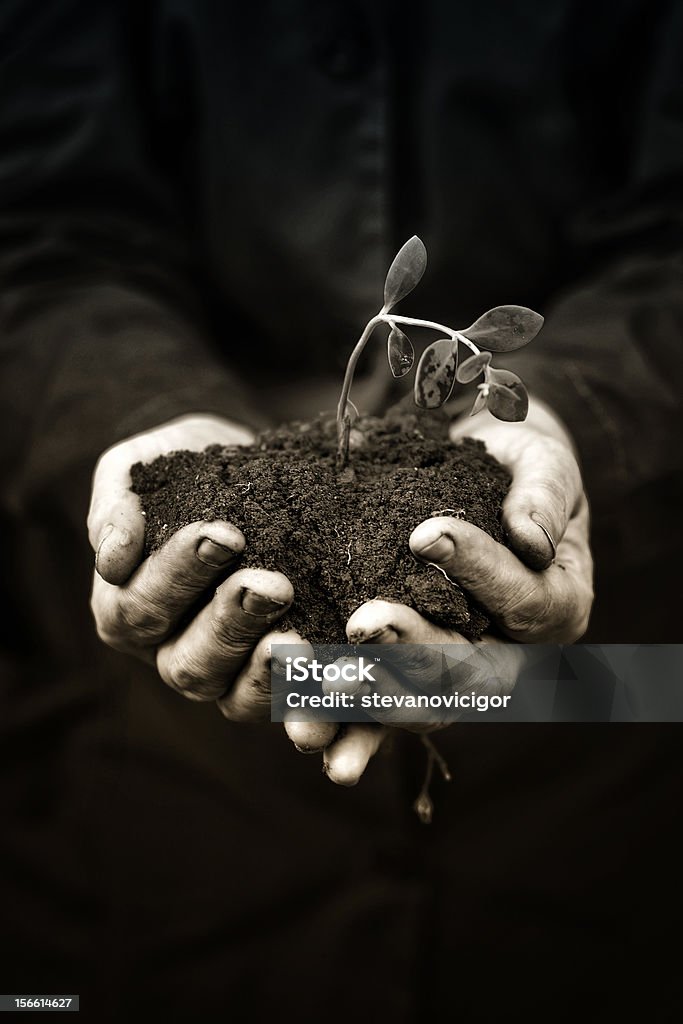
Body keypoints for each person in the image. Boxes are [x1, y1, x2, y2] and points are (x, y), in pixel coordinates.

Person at [1, 1, 682, 1020]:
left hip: (612, 701)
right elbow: (41, 233)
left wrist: (569, 412)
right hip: (159, 760)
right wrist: (142, 420)